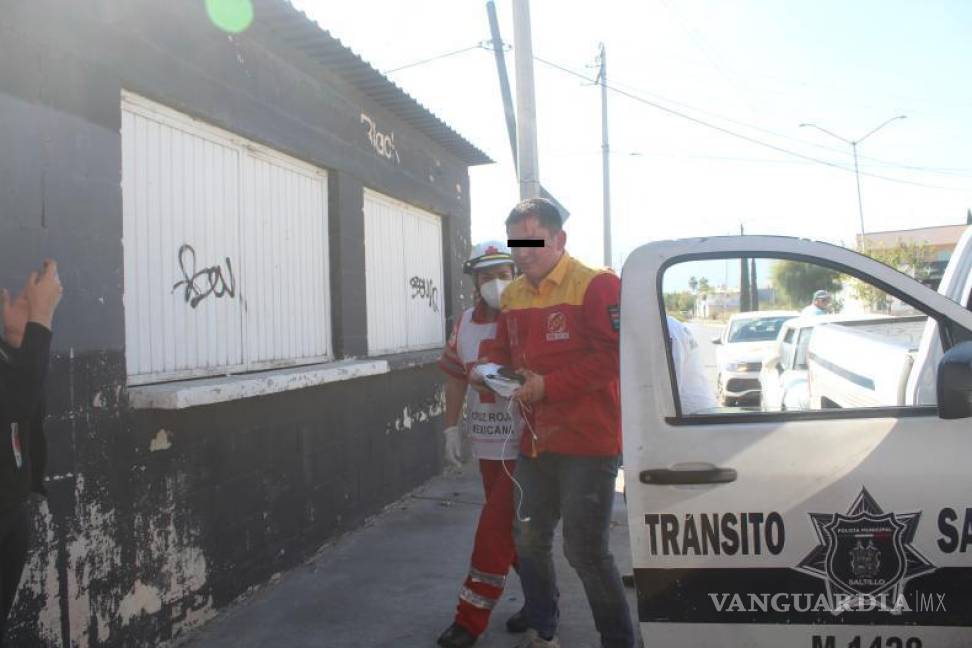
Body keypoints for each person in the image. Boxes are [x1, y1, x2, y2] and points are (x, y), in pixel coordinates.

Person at [477, 198, 634, 648]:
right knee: (527, 539)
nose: (523, 253)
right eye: (516, 243)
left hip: (589, 442)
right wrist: (487, 370)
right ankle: (544, 629)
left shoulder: (598, 285)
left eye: (533, 241)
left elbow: (612, 358)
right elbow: (502, 351)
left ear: (559, 239)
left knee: (584, 551)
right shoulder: (513, 293)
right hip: (534, 442)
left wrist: (548, 386)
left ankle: (620, 640)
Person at [436, 242, 526, 648]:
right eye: (487, 276)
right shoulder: (465, 324)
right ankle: (544, 601)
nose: (496, 283)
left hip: (526, 447)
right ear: (474, 280)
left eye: (503, 274)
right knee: (517, 534)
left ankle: (468, 621)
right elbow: (455, 377)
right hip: (487, 446)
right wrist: (450, 428)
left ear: (515, 274)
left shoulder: (528, 316)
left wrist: (492, 376)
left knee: (493, 531)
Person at [0, 260, 62, 643]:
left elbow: (25, 413)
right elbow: (13, 405)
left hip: (9, 512)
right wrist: (40, 319)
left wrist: (18, 339)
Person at [667, 315, 718, 415]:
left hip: (693, 415)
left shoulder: (666, 329)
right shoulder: (671, 324)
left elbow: (669, 386)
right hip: (698, 410)